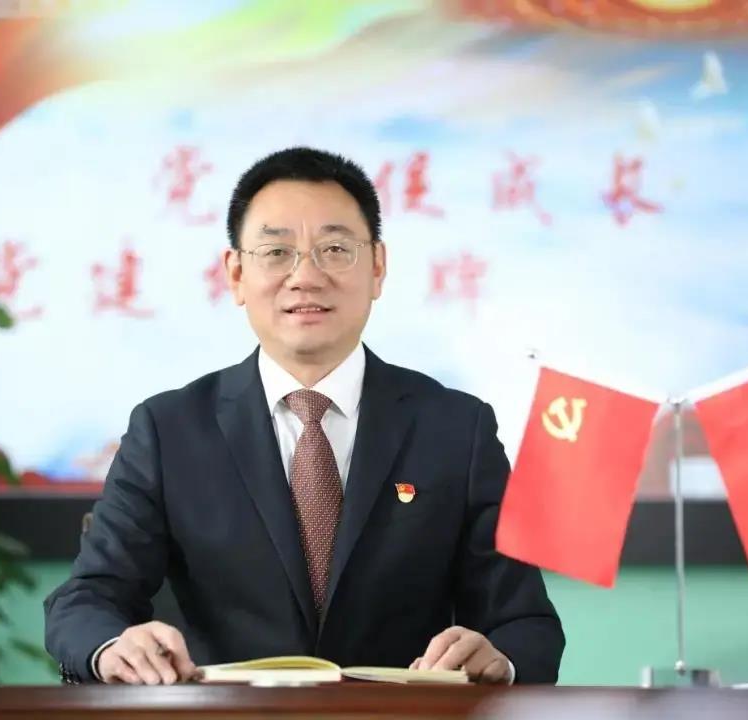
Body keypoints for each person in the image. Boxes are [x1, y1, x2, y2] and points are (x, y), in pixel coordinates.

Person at [44, 147, 564, 685]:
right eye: (276, 252)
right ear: (236, 274)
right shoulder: (169, 430)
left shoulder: (457, 429)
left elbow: (525, 623)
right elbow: (87, 599)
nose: (306, 277)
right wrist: (113, 648)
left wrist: (499, 660)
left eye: (335, 249)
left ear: (378, 267)